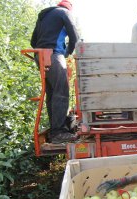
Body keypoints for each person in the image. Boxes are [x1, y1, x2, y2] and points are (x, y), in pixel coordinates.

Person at [30, 0, 79, 144]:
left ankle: (55, 130)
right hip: (53, 55)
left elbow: (33, 41)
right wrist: (67, 52)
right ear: (69, 8)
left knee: (52, 93)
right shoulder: (65, 13)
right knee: (61, 91)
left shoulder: (44, 16)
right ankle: (59, 132)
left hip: (40, 56)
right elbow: (74, 36)